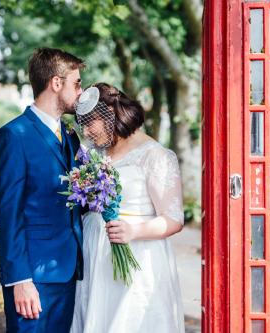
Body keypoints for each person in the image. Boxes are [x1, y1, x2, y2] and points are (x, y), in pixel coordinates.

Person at [70, 83, 185, 333]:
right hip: (94, 255)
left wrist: (134, 231)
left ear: (111, 114)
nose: (86, 132)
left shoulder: (155, 155)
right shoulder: (95, 153)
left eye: (90, 123)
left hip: (137, 257)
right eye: (82, 124)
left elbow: (174, 219)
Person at [0, 47, 84, 332]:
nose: (81, 91)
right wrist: (20, 280)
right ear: (56, 83)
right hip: (33, 277)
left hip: (67, 271)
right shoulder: (14, 135)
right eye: (76, 83)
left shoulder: (70, 137)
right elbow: (9, 214)